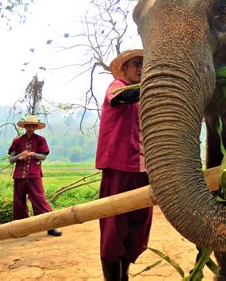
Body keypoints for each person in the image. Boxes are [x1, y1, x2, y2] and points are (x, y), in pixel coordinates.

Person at [96, 49, 153, 281]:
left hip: (144, 169)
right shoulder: (117, 86)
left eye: (144, 64)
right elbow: (122, 97)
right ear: (124, 69)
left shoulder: (146, 97)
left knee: (138, 227)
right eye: (136, 64)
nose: (140, 68)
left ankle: (124, 276)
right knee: (114, 228)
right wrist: (157, 82)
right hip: (119, 167)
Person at [8, 114, 62, 237]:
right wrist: (18, 156)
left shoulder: (40, 140)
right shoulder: (17, 141)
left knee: (40, 200)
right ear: (25, 126)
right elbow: (11, 159)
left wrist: (33, 154)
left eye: (33, 126)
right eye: (28, 125)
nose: (30, 128)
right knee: (19, 202)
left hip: (34, 174)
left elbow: (43, 156)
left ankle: (50, 227)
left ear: (36, 127)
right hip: (19, 176)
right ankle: (21, 229)